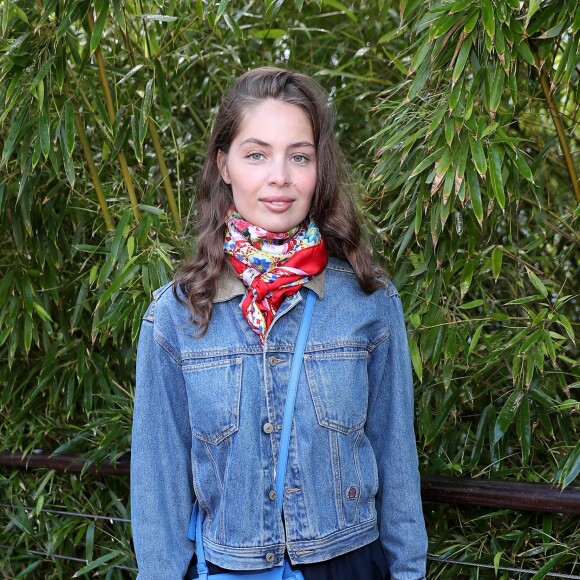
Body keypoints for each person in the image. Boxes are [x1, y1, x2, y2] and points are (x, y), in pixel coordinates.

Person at [131, 67, 427, 580]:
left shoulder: (368, 302)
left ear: (319, 168)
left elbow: (398, 471)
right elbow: (158, 500)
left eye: (299, 156)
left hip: (350, 565)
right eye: (256, 154)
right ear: (224, 166)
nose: (280, 178)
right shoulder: (174, 317)